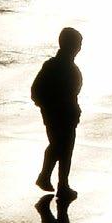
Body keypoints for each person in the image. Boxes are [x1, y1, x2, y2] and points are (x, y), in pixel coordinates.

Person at [32, 28, 83, 202]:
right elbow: (37, 91)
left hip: (60, 115)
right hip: (61, 115)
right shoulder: (62, 67)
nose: (80, 48)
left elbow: (36, 92)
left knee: (59, 147)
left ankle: (53, 180)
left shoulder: (55, 66)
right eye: (78, 45)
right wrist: (49, 107)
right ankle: (56, 182)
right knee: (62, 148)